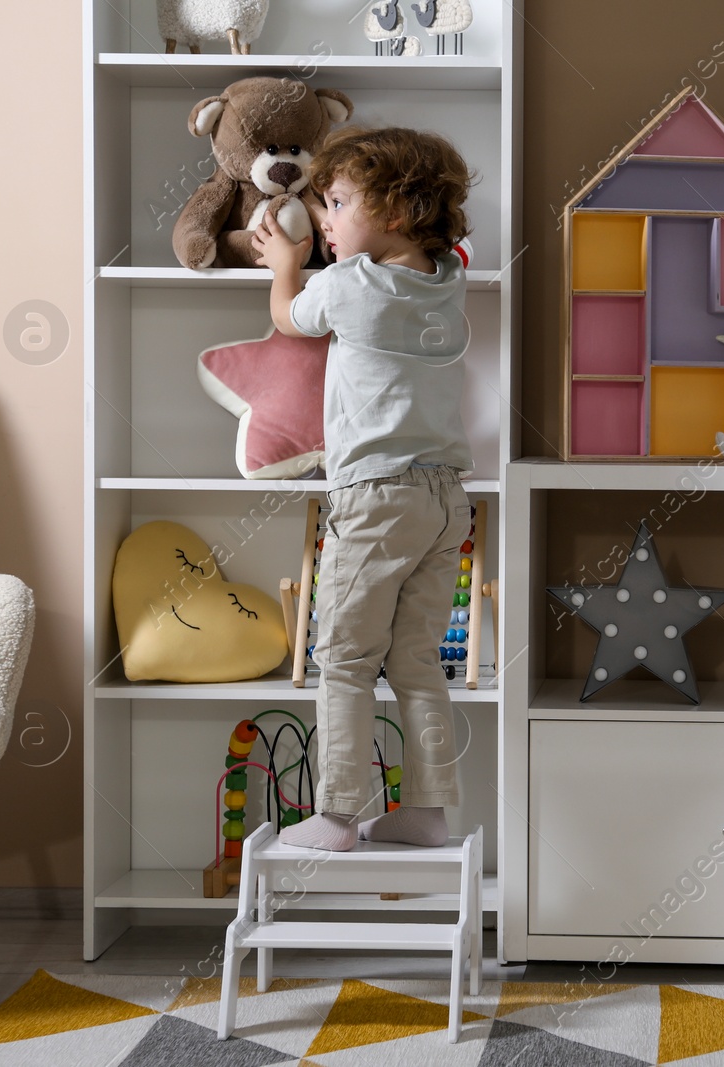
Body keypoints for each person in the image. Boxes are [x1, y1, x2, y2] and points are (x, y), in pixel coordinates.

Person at [253, 126, 474, 850]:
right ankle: (434, 812)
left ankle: (339, 814)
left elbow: (288, 317)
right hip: (446, 499)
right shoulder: (448, 283)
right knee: (416, 659)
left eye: (340, 201)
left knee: (344, 655)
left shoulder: (347, 286)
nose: (324, 219)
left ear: (400, 211)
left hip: (376, 496)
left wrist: (287, 264)